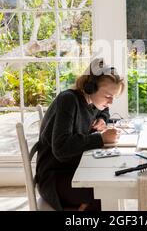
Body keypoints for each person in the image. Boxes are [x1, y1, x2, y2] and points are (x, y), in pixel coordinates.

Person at [33, 59, 125, 211]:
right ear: (90, 88)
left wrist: (102, 118)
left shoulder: (92, 102)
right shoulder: (68, 100)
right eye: (108, 96)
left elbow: (104, 111)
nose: (111, 102)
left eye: (114, 97)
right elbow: (61, 148)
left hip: (74, 168)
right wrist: (100, 138)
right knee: (104, 191)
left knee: (108, 180)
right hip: (55, 177)